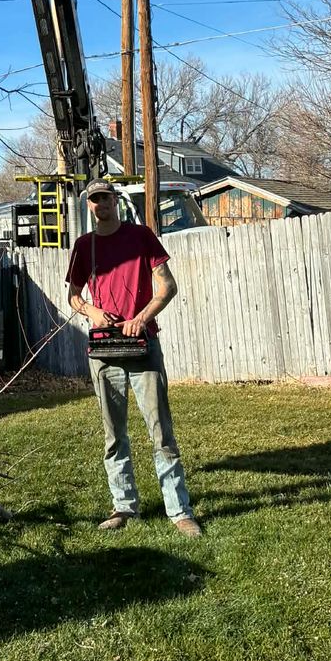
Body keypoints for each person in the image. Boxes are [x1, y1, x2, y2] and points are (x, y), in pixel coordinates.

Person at [66, 178, 201, 536]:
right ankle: (123, 506)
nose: (100, 203)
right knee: (113, 434)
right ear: (89, 205)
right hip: (104, 351)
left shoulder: (141, 237)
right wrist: (92, 311)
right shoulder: (84, 246)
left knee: (161, 432)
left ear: (115, 201)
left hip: (143, 345)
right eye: (94, 199)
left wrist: (141, 318)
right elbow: (74, 295)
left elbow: (167, 286)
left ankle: (179, 511)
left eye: (105, 197)